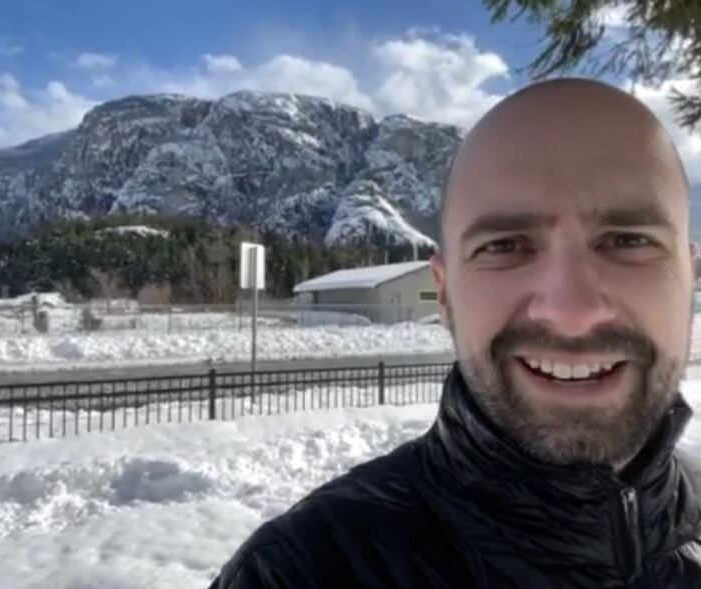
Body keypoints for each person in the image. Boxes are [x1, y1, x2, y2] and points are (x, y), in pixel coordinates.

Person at [208, 79, 701, 588]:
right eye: (505, 245)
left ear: (691, 276)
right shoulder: (299, 573)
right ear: (443, 294)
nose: (571, 311)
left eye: (628, 240)